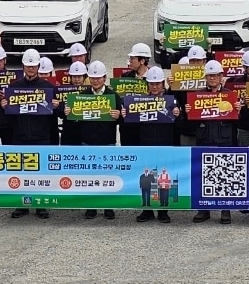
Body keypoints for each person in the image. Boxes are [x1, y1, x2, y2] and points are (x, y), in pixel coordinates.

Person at [0, 50, 61, 220]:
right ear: (23, 66)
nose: (30, 69)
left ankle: (41, 205)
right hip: (19, 136)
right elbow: (8, 116)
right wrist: (4, 106)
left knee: (40, 173)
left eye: (33, 66)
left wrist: (57, 107)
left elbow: (58, 114)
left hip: (41, 136)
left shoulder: (48, 87)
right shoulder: (14, 87)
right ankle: (22, 205)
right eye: (28, 65)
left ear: (38, 66)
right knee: (21, 172)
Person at [67, 60, 119, 220]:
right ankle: (91, 207)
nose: (95, 80)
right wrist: (69, 112)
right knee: (89, 176)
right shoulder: (82, 96)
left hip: (107, 141)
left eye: (98, 78)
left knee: (108, 176)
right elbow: (74, 121)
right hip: (88, 142)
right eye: (92, 78)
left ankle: (109, 207)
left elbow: (123, 120)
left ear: (104, 78)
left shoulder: (113, 96)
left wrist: (118, 117)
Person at [192, 60, 241, 225]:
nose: (212, 78)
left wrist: (239, 111)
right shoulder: (198, 96)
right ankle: (203, 210)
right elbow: (188, 125)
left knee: (225, 175)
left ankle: (225, 210)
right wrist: (187, 113)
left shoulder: (230, 95)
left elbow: (239, 124)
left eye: (215, 75)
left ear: (221, 77)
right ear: (205, 77)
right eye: (209, 75)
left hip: (224, 141)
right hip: (204, 140)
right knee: (203, 175)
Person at [131, 67, 177, 223]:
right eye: (152, 83)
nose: (155, 86)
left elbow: (181, 124)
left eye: (157, 83)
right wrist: (126, 115)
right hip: (146, 144)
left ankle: (163, 211)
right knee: (146, 179)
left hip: (165, 144)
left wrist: (179, 115)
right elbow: (131, 125)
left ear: (163, 83)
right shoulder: (140, 102)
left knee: (164, 179)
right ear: (147, 85)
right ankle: (147, 210)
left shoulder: (172, 100)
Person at [119, 43, 153, 147]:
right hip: (128, 127)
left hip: (147, 127)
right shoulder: (125, 77)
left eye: (132, 58)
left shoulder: (154, 77)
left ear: (142, 61)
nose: (130, 61)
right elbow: (120, 98)